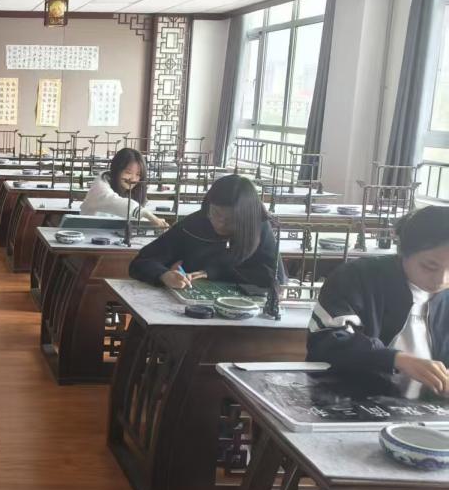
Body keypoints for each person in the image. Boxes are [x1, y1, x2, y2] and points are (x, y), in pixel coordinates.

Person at [307, 205, 449, 397]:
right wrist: (396, 359)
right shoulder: (357, 277)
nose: (441, 280)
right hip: (352, 400)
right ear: (402, 251)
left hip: (426, 409)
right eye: (429, 266)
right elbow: (327, 339)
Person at [129, 173, 278, 289]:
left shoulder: (259, 227)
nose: (221, 223)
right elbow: (141, 262)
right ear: (208, 206)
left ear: (247, 219)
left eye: (231, 219)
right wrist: (164, 275)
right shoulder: (193, 225)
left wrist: (212, 273)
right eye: (216, 213)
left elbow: (273, 278)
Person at [80, 147, 167, 228]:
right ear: (117, 169)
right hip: (88, 230)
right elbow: (113, 201)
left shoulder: (133, 190)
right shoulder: (100, 185)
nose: (133, 179)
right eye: (128, 172)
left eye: (138, 174)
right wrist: (146, 213)